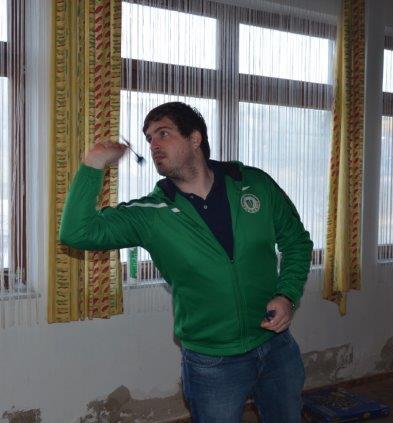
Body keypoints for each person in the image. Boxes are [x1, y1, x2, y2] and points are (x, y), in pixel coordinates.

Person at [60, 102, 313, 422]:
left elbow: (296, 241)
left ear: (195, 138)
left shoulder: (254, 184)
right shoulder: (150, 214)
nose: (153, 145)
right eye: (149, 138)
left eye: (163, 133)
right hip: (212, 361)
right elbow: (77, 233)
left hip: (276, 345)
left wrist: (287, 294)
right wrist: (94, 163)